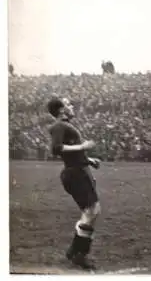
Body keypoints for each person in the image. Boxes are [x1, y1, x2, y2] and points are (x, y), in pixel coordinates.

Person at [47, 96, 102, 270]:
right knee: (92, 211)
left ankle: (75, 251)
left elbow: (71, 152)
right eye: (68, 104)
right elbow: (57, 149)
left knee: (91, 211)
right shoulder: (58, 126)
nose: (72, 106)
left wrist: (89, 160)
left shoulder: (65, 125)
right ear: (62, 109)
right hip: (75, 173)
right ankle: (79, 254)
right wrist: (82, 147)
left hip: (79, 170)